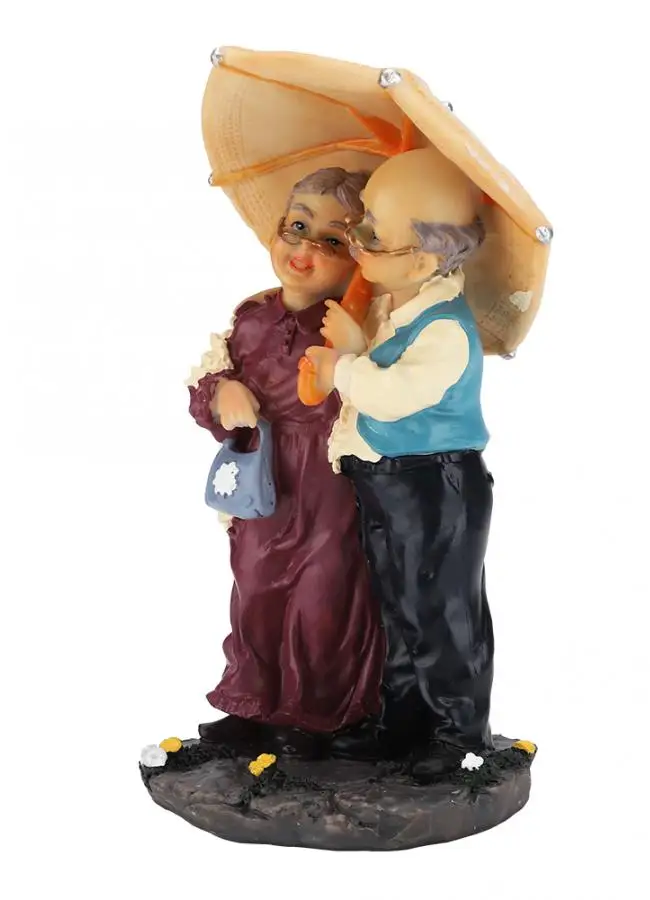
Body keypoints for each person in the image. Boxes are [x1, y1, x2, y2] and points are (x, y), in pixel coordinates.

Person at [306, 149, 495, 780]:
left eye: (371, 235)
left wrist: (345, 366)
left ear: (421, 261)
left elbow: (392, 394)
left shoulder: (444, 330)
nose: (356, 241)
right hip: (387, 483)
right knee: (396, 607)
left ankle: (457, 732)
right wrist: (359, 343)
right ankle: (402, 720)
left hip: (432, 486)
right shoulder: (397, 308)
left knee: (439, 611)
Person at [187, 167, 383, 758]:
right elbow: (209, 381)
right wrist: (222, 393)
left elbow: (384, 397)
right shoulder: (251, 317)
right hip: (265, 477)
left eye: (332, 240)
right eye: (297, 227)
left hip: (329, 483)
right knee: (256, 586)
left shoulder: (358, 326)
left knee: (323, 594)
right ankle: (252, 699)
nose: (304, 249)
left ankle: (315, 710)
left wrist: (355, 353)